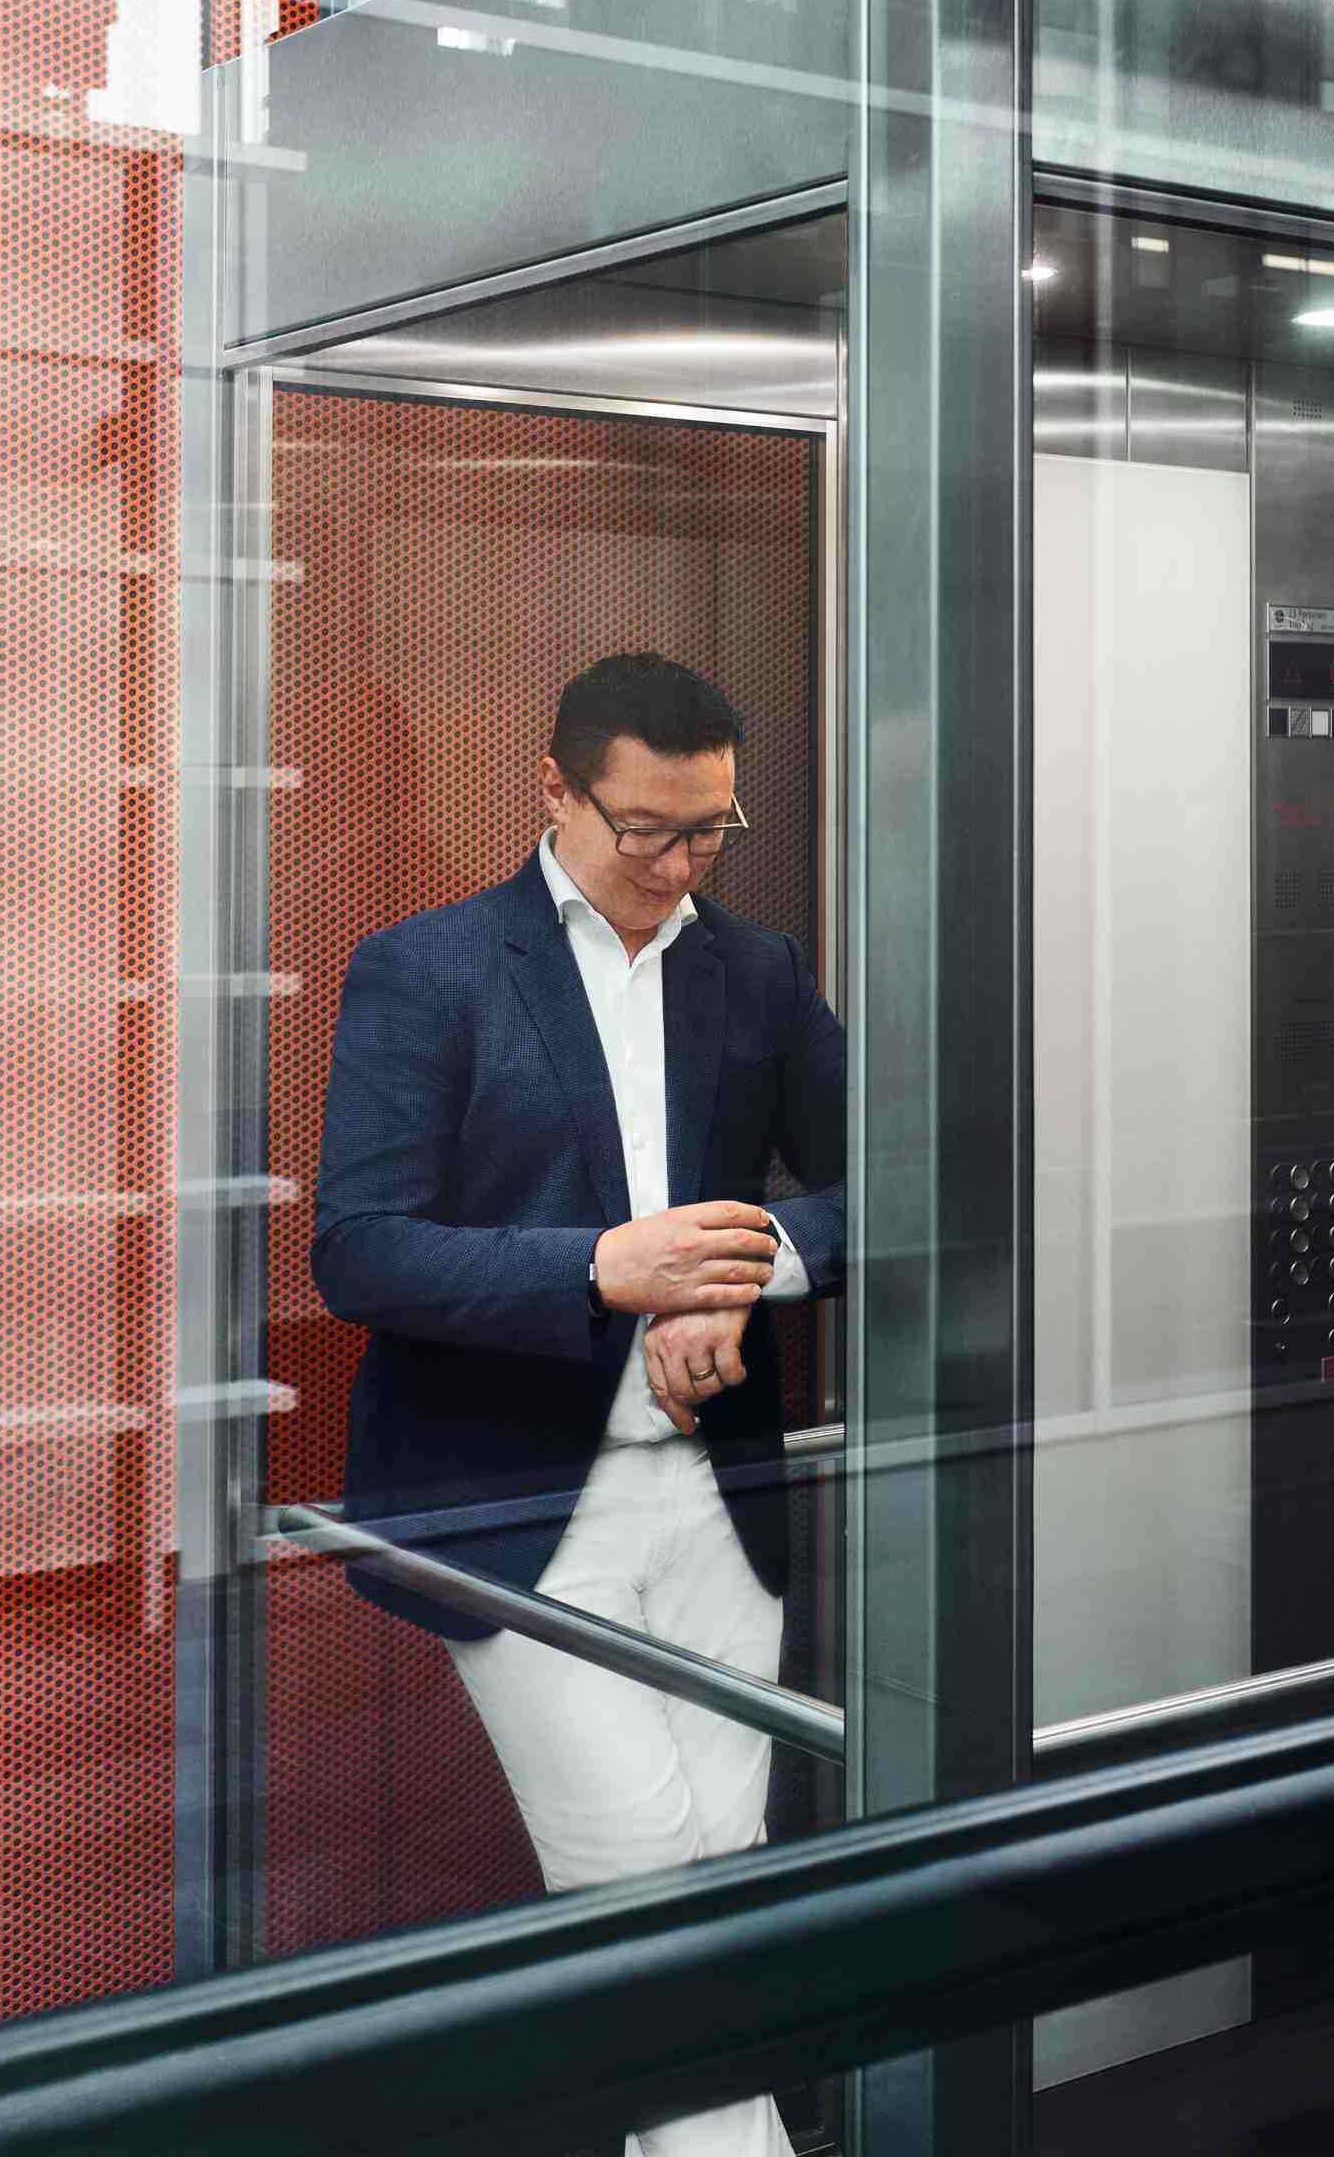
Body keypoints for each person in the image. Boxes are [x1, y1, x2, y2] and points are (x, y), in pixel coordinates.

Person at [313, 650, 846, 2157]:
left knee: (718, 1884)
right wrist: (606, 1269)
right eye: (648, 833)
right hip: (520, 1516)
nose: (680, 868)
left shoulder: (755, 970)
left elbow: (916, 1173)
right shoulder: (429, 968)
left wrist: (753, 1273)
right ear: (554, 793)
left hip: (719, 1508)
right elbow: (358, 1249)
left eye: (711, 833)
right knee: (640, 1870)